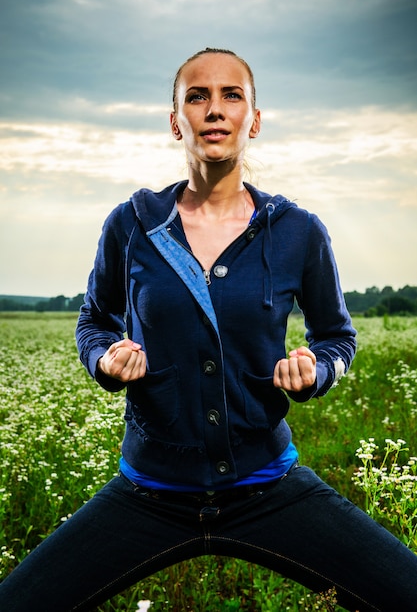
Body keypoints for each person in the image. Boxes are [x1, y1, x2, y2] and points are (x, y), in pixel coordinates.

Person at [0, 47, 416, 612]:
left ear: (255, 120)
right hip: (148, 491)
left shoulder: (298, 231)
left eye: (231, 96)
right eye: (197, 97)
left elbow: (338, 338)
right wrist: (103, 358)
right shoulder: (131, 224)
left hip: (269, 487)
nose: (214, 110)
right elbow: (94, 322)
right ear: (177, 122)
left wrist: (316, 368)